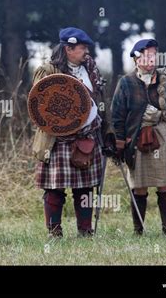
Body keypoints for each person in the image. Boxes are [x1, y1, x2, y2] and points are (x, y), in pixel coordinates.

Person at [32, 27, 111, 237]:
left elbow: (101, 101)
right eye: (82, 48)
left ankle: (85, 231)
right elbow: (39, 104)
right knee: (54, 188)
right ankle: (54, 232)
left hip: (87, 137)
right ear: (68, 48)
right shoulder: (49, 71)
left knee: (85, 188)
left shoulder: (91, 69)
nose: (86, 52)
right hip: (57, 139)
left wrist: (107, 131)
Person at [111, 39, 166, 234]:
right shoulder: (126, 83)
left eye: (153, 55)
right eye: (146, 56)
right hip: (135, 138)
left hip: (162, 136)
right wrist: (120, 140)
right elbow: (117, 115)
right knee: (139, 186)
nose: (151, 60)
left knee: (164, 183)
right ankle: (138, 231)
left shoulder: (165, 81)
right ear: (136, 59)